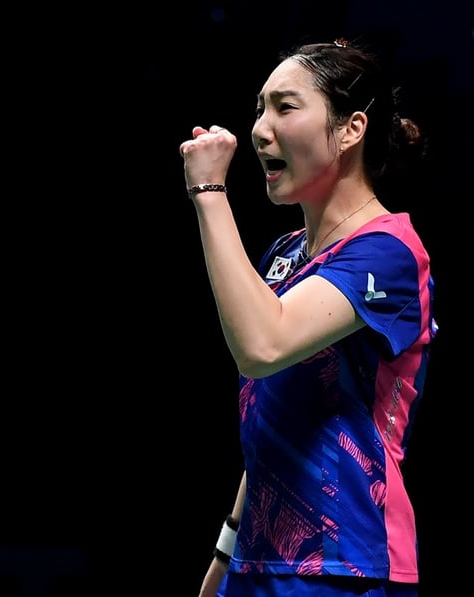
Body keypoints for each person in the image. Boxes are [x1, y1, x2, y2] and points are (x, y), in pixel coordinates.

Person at [179, 37, 437, 597]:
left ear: (350, 129)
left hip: (347, 564)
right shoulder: (285, 254)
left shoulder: (390, 251)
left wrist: (209, 193)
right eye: (259, 108)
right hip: (257, 563)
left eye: (285, 107)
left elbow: (261, 345)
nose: (259, 129)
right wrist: (226, 552)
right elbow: (272, 413)